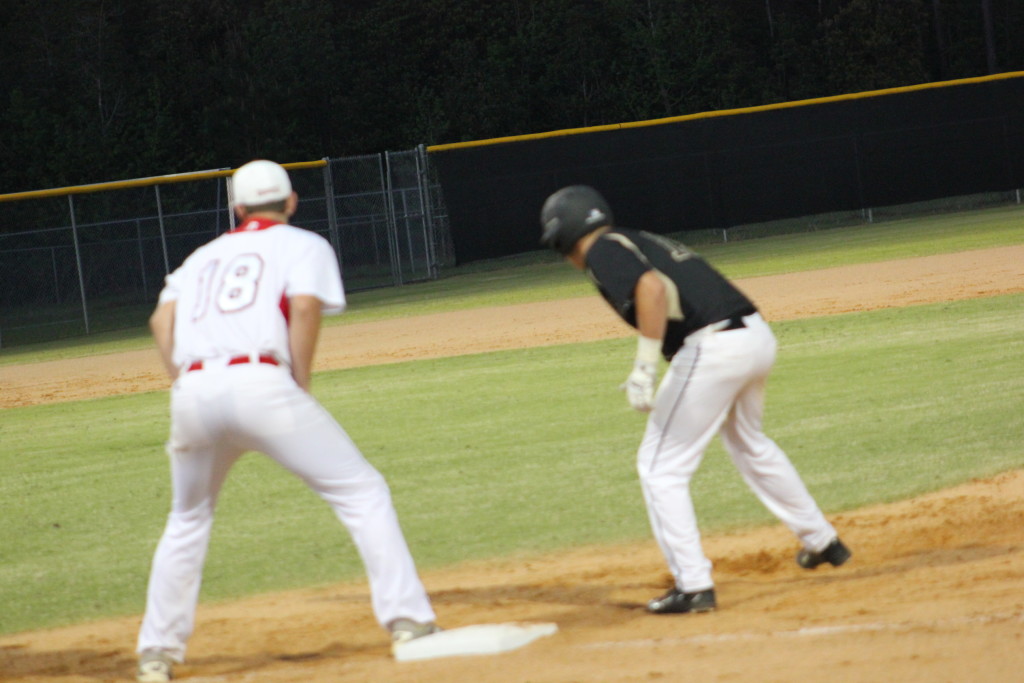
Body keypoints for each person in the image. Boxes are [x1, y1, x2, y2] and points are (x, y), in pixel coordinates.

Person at [135, 160, 438, 682]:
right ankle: (408, 619)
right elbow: (303, 307)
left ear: (237, 207)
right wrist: (299, 380)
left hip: (194, 392)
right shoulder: (303, 244)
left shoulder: (201, 256)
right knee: (361, 491)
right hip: (262, 383)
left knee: (187, 520)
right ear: (291, 201)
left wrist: (181, 381)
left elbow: (161, 319)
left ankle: (156, 653)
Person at [539, 185, 851, 615]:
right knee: (750, 444)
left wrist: (645, 366)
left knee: (660, 467)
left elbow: (651, 289)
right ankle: (823, 542)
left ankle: (693, 586)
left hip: (713, 349)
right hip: (753, 336)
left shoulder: (603, 249)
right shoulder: (634, 239)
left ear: (564, 236)